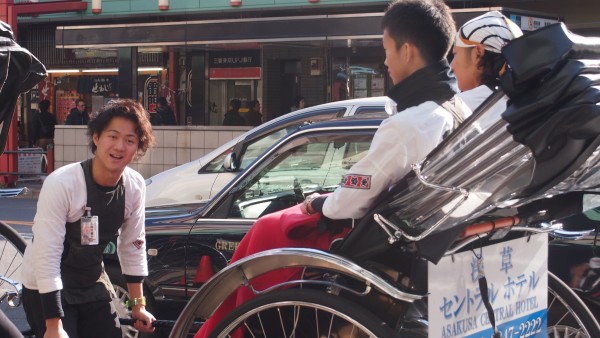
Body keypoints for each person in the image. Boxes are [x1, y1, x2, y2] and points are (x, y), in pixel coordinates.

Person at [195, 0, 463, 336]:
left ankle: (234, 324)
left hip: (384, 248)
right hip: (422, 238)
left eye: (386, 49)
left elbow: (350, 200)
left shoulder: (409, 124)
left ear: (406, 51)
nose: (385, 61)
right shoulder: (458, 110)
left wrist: (318, 202)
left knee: (268, 227)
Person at [20, 99, 156, 338]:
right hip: (47, 285)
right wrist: (54, 326)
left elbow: (133, 244)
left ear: (138, 149)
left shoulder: (134, 186)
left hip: (91, 280)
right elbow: (47, 253)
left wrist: (138, 305)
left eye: (130, 140)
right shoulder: (63, 183)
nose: (120, 146)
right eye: (112, 136)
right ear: (96, 138)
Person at [450, 10, 523, 111]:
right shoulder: (526, 100)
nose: (451, 66)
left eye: (455, 54)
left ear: (478, 53)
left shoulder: (456, 108)